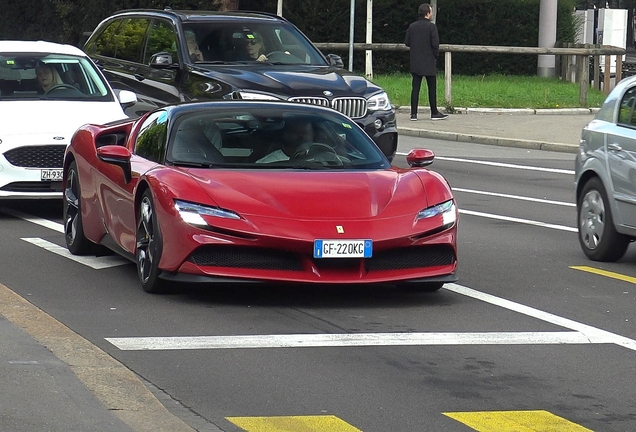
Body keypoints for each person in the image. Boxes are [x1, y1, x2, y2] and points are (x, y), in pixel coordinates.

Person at [404, 3, 448, 121]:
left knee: (415, 88)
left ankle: (413, 114)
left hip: (416, 61)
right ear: (427, 14)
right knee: (432, 88)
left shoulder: (412, 26)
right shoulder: (431, 27)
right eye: (431, 11)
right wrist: (435, 56)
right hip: (429, 61)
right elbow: (435, 44)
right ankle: (434, 112)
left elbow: (407, 42)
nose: (432, 13)